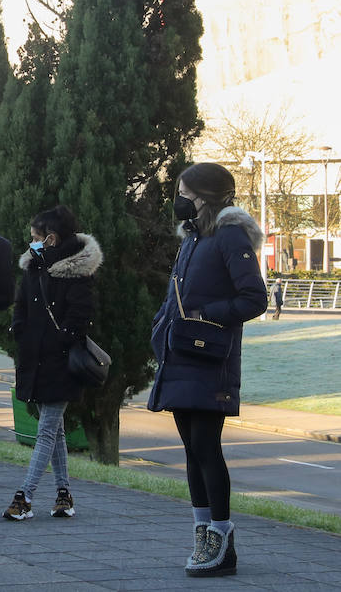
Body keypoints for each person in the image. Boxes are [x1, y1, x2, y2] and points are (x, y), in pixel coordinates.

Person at [149, 162, 266, 577]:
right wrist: (161, 328)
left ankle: (221, 536)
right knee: (191, 451)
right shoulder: (192, 240)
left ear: (203, 197)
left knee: (206, 448)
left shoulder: (229, 236)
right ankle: (202, 532)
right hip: (181, 354)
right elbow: (175, 297)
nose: (178, 200)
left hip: (209, 357)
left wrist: (205, 316)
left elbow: (254, 297)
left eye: (183, 192)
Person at [4, 206, 101, 521]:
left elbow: (80, 316)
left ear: (51, 239)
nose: (30, 243)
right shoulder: (34, 267)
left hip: (59, 362)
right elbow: (21, 305)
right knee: (55, 430)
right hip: (36, 357)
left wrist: (59, 339)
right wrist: (20, 330)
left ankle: (25, 495)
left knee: (46, 430)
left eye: (35, 238)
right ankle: (64, 493)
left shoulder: (76, 273)